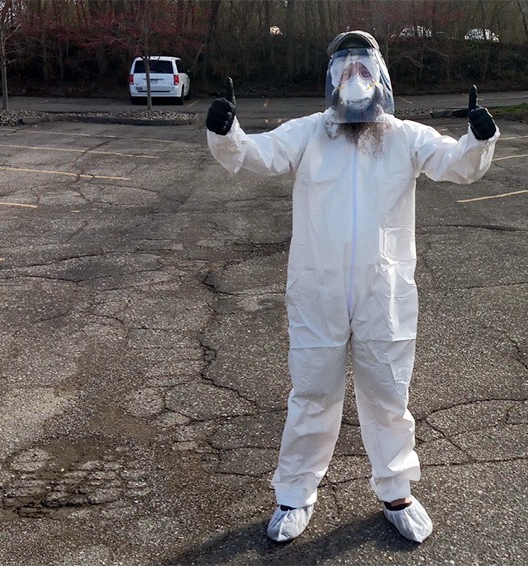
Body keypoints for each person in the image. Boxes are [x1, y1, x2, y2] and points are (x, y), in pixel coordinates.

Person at [206, 30, 498, 544]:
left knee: (388, 392)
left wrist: (478, 137)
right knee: (313, 392)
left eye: (364, 68)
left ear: (380, 75)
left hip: (382, 291)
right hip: (318, 289)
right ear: (331, 78)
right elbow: (259, 156)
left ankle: (396, 490)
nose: (355, 78)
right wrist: (227, 131)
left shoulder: (404, 136)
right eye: (345, 69)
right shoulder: (310, 134)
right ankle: (294, 495)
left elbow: (455, 164)